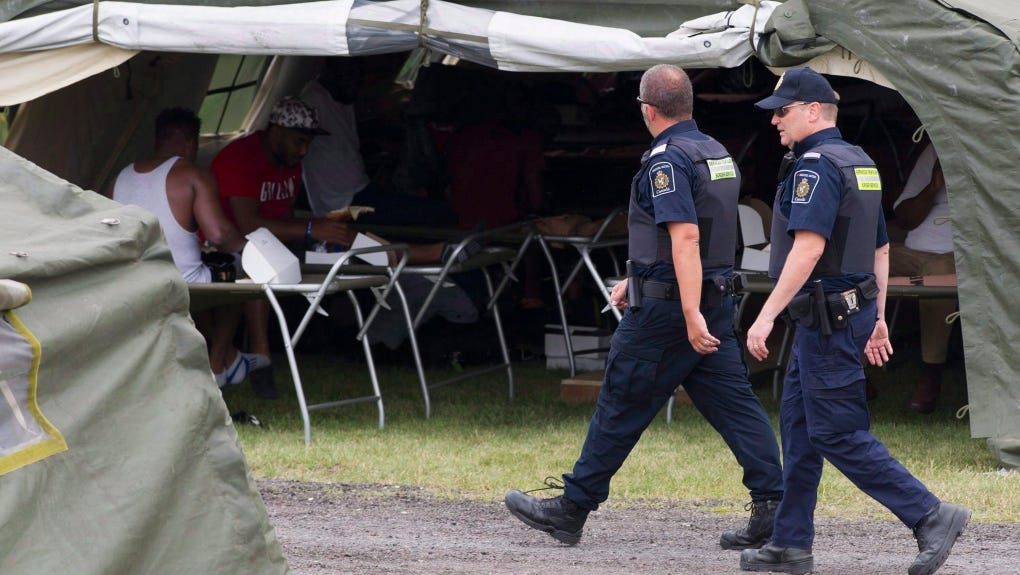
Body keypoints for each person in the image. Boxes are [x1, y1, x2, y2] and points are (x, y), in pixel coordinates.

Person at [504, 64, 784, 551]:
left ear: (647, 109)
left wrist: (687, 310)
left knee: (621, 399)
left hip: (674, 311)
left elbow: (686, 235)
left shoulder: (667, 160)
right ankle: (775, 509)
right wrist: (639, 278)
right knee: (736, 406)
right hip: (711, 298)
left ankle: (572, 509)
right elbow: (707, 230)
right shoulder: (717, 152)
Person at [741, 67, 969, 575]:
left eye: (783, 110)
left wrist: (765, 316)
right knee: (800, 432)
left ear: (813, 111)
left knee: (837, 432)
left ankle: (930, 515)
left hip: (826, 320)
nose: (775, 121)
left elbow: (809, 247)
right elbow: (881, 246)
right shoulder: (860, 161)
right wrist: (880, 319)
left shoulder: (815, 167)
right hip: (843, 314)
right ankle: (790, 543)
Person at [211, 97, 357, 398]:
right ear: (276, 131)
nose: (304, 151)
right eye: (299, 141)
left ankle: (420, 254)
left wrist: (319, 229)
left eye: (308, 144)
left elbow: (283, 218)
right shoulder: (241, 158)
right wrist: (310, 229)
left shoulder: (291, 162)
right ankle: (261, 357)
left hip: (271, 247)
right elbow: (248, 225)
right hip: (226, 249)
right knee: (257, 266)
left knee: (350, 251)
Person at [111, 107, 257, 386]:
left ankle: (228, 357)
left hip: (133, 280)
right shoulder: (193, 174)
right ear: (191, 142)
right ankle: (218, 363)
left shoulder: (120, 177)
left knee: (203, 273)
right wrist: (253, 249)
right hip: (183, 282)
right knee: (239, 271)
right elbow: (219, 235)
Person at [299, 57, 458, 226]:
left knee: (431, 209)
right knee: (438, 215)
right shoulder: (312, 102)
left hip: (361, 190)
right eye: (352, 74)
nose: (358, 81)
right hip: (342, 203)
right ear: (331, 69)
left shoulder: (342, 99)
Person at [890, 140, 956, 413]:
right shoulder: (935, 148)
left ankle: (931, 371)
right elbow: (904, 218)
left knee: (938, 275)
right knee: (863, 266)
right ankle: (856, 370)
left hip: (951, 256)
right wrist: (933, 187)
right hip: (913, 251)